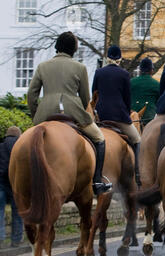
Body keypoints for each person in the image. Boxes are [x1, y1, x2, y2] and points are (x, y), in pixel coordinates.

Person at [27, 31, 111, 195]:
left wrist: (36, 115)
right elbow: (86, 98)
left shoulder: (42, 66)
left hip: (45, 113)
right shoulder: (80, 67)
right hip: (73, 112)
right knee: (100, 139)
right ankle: (97, 181)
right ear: (73, 49)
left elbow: (32, 95)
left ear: (57, 46)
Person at [92, 45, 142, 187]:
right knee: (138, 140)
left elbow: (94, 94)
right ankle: (138, 175)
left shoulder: (99, 72)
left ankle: (95, 174)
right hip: (119, 116)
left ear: (107, 58)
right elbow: (127, 99)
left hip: (101, 116)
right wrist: (126, 113)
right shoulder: (125, 74)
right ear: (120, 58)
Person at [0, 127, 23, 249]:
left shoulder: (1, 146)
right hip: (16, 184)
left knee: (0, 211)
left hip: (1, 182)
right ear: (19, 136)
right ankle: (16, 240)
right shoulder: (22, 147)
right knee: (18, 213)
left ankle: (1, 240)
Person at [130, 57, 160, 126]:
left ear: (140, 70)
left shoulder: (131, 82)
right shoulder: (157, 84)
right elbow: (160, 102)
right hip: (150, 119)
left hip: (132, 119)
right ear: (151, 70)